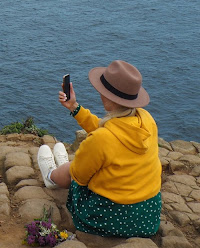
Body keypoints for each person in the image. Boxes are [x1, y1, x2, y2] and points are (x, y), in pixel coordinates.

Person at [36, 60, 162, 238]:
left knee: (73, 167)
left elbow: (79, 176)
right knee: (95, 163)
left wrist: (76, 166)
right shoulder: (146, 119)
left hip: (110, 216)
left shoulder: (101, 139)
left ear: (106, 95)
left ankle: (51, 176)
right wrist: (74, 107)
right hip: (147, 216)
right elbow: (111, 133)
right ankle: (62, 168)